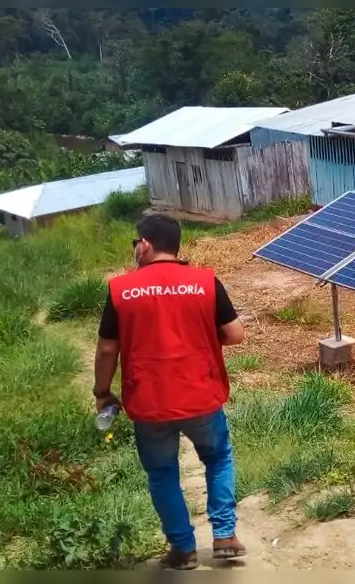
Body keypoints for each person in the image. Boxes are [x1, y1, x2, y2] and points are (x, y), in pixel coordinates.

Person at [93, 213, 247, 570]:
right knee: (218, 458)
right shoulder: (205, 282)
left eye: (136, 242)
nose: (135, 248)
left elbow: (106, 350)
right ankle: (225, 535)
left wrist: (102, 392)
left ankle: (183, 549)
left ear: (145, 245)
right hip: (201, 394)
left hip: (149, 402)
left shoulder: (121, 290)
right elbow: (235, 334)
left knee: (162, 473)